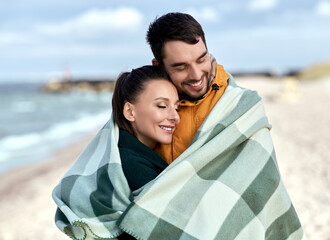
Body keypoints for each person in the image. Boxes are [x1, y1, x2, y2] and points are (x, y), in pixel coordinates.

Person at [117, 12, 306, 240]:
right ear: (158, 65)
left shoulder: (241, 107)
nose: (196, 75)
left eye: (201, 59)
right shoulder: (153, 108)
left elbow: (261, 185)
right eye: (180, 67)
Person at [52, 65, 180, 239]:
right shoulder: (133, 165)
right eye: (162, 106)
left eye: (177, 107)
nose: (175, 117)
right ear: (130, 111)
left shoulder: (119, 151)